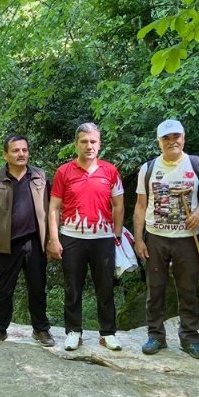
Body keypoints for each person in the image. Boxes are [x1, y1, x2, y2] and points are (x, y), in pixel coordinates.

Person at [133, 119, 199, 360]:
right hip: (156, 236)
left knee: (188, 289)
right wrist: (138, 239)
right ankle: (156, 335)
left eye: (176, 136)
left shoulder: (197, 165)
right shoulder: (148, 168)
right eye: (166, 138)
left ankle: (190, 338)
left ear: (183, 138)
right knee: (155, 289)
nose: (171, 141)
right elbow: (140, 205)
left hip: (187, 238)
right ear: (159, 142)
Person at [47, 123, 124, 352]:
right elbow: (54, 208)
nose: (88, 146)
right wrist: (54, 239)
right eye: (84, 141)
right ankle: (73, 332)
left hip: (103, 237)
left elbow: (119, 204)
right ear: (76, 144)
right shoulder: (64, 172)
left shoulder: (110, 171)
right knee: (73, 287)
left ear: (99, 144)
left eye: (93, 141)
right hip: (72, 237)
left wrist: (117, 234)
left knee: (105, 286)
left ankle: (108, 333)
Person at [0, 135, 55, 347]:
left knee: (38, 287)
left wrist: (51, 239)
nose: (21, 154)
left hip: (35, 241)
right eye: (15, 150)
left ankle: (41, 329)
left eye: (24, 150)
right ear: (5, 154)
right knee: (4, 289)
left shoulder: (39, 176)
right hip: (7, 243)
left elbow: (51, 209)